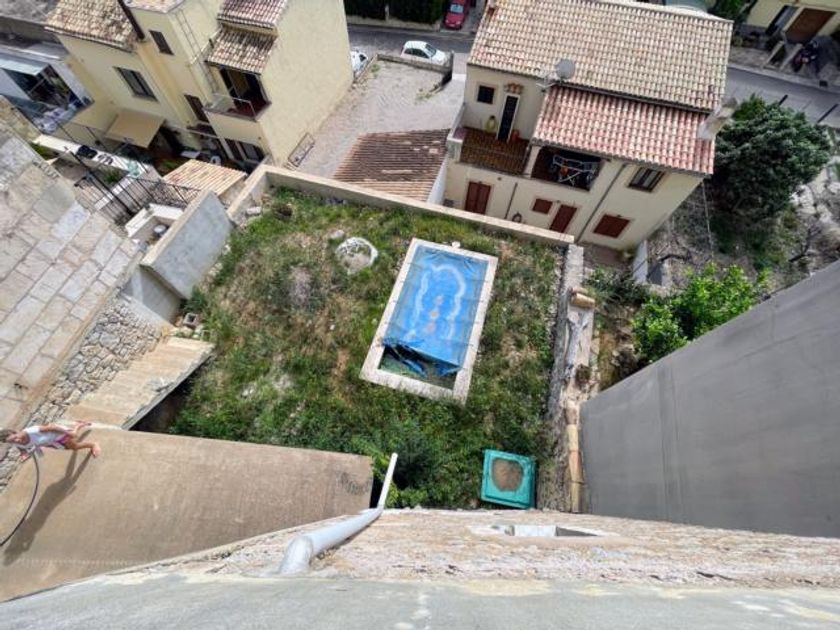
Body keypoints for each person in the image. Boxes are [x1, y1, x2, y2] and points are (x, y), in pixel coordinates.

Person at [1, 421, 101, 460]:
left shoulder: (31, 431)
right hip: (50, 442)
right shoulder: (16, 443)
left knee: (74, 446)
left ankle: (93, 444)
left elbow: (52, 428)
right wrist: (23, 455)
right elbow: (22, 449)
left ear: (15, 432)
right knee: (71, 445)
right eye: (12, 441)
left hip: (58, 434)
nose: (17, 440)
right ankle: (79, 425)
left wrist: (68, 433)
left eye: (15, 437)